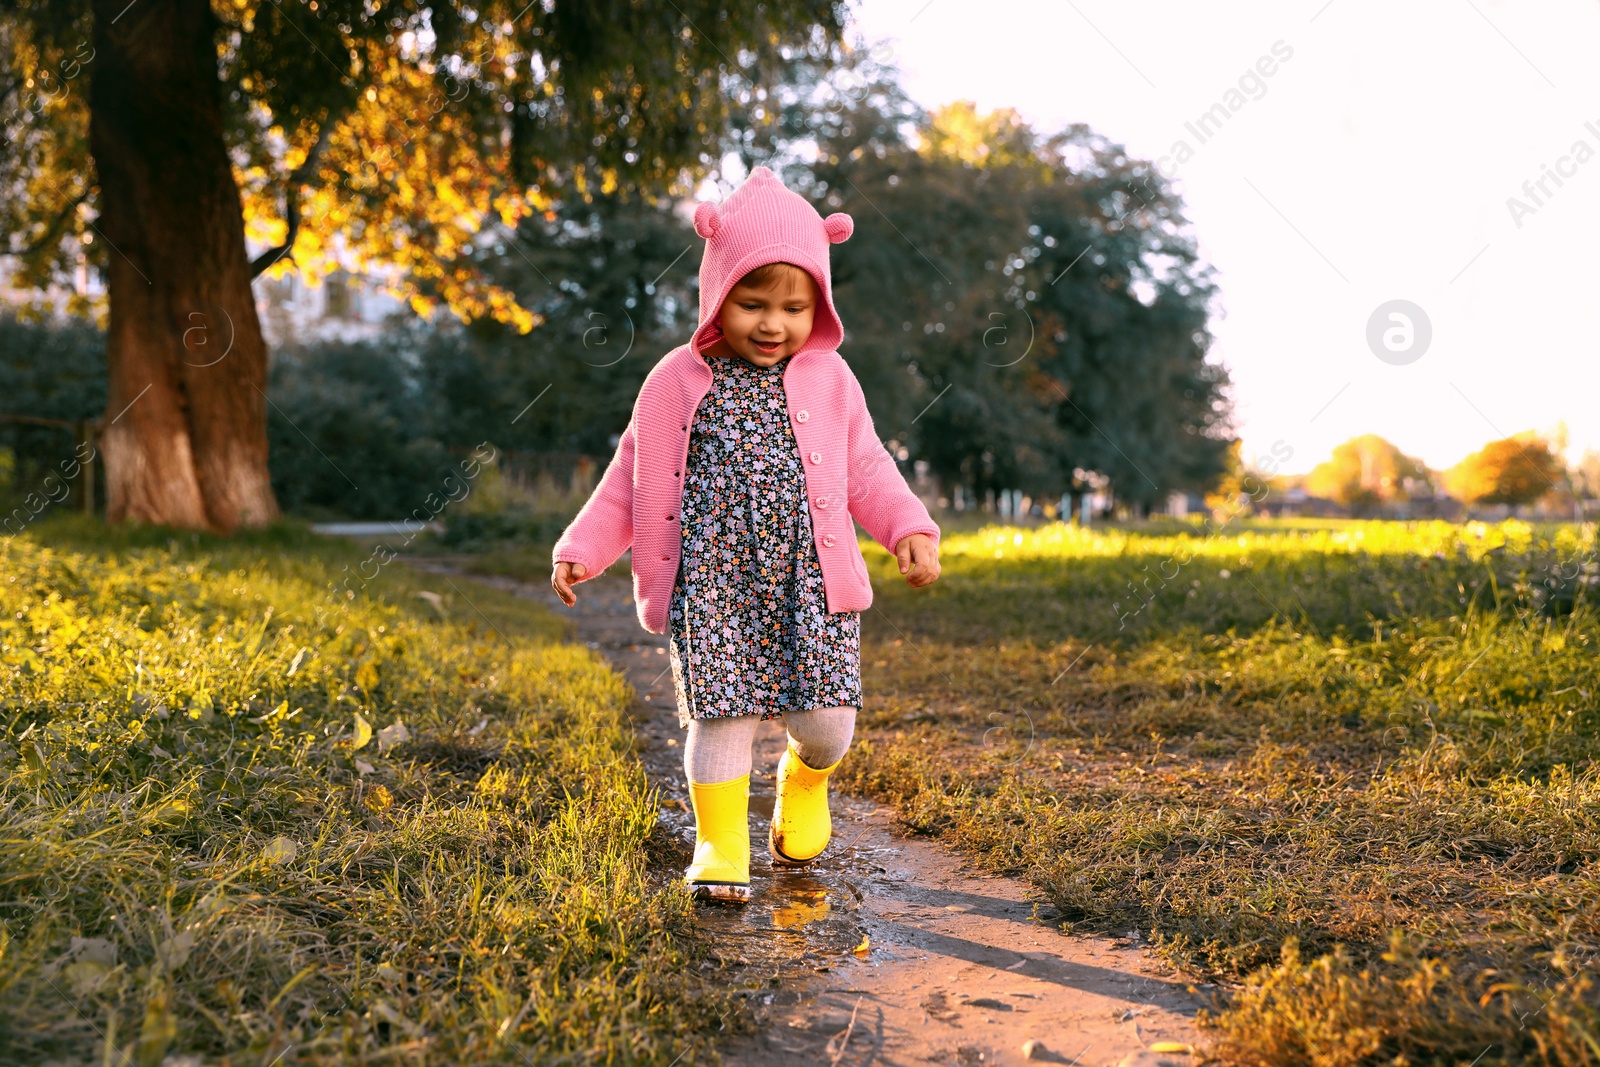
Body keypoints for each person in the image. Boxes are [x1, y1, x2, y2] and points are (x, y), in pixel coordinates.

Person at [550, 166, 941, 902]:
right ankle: (720, 841)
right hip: (715, 584)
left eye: (795, 307)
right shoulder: (674, 381)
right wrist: (581, 547)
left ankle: (805, 778)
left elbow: (866, 466)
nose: (773, 323)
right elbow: (629, 480)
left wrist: (907, 528)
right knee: (721, 715)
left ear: (817, 304)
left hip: (811, 580)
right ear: (716, 295)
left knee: (827, 721)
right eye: (752, 302)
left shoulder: (832, 379)